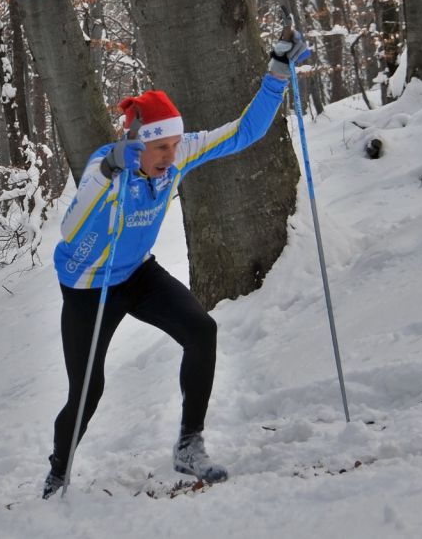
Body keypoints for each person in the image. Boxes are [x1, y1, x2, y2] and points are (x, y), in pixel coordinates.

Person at [41, 32, 311, 499]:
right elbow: (71, 229)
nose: (170, 156)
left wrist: (277, 75)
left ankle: (189, 444)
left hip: (136, 274)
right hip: (87, 287)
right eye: (160, 148)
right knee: (88, 391)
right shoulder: (104, 165)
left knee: (201, 330)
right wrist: (109, 175)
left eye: (174, 145)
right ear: (136, 143)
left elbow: (244, 131)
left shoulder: (178, 153)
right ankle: (58, 473)